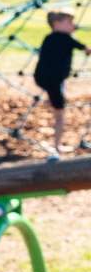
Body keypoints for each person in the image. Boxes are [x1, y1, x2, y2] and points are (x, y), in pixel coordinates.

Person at [35, 9, 85, 162]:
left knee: (58, 108)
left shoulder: (49, 38)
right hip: (53, 80)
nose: (73, 25)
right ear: (56, 24)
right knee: (60, 114)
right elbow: (86, 49)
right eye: (69, 22)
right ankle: (56, 146)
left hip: (44, 78)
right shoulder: (66, 39)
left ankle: (56, 144)